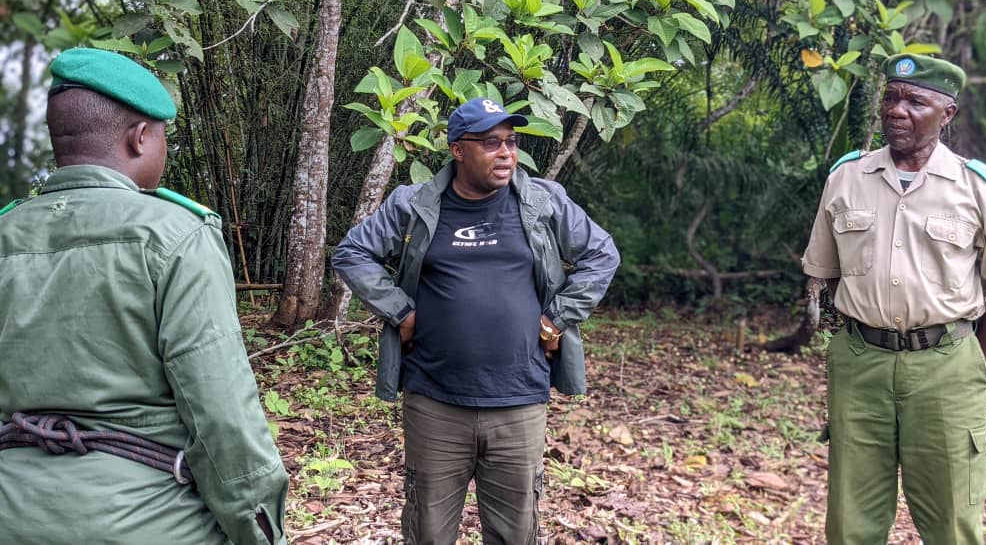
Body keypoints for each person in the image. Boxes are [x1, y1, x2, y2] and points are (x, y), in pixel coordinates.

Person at [0, 48, 289, 544]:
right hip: (149, 520)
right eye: (162, 139)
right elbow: (222, 416)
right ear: (139, 138)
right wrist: (261, 530)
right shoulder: (176, 235)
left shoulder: (6, 232)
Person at [331, 96, 619, 544]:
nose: (506, 153)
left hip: (519, 400)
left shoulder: (542, 202)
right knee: (428, 530)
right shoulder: (414, 204)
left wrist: (558, 318)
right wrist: (401, 312)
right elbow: (352, 253)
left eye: (511, 142)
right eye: (491, 143)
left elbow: (601, 253)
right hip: (435, 402)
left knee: (514, 533)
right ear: (458, 150)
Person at [802, 52, 986, 544]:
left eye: (915, 101)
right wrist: (865, 325)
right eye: (891, 98)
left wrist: (968, 364)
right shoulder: (847, 178)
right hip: (861, 364)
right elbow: (829, 273)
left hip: (947, 366)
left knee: (952, 521)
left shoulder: (980, 189)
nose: (897, 110)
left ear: (947, 113)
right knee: (852, 520)